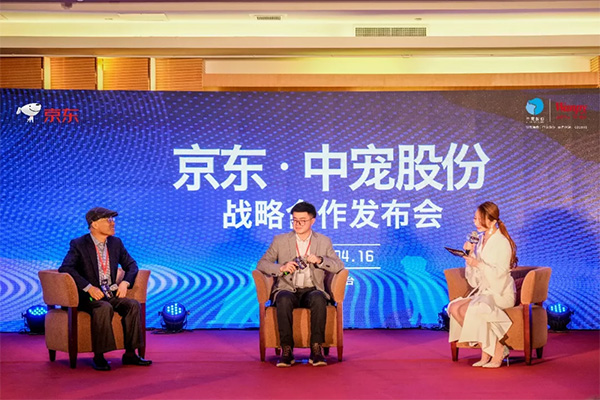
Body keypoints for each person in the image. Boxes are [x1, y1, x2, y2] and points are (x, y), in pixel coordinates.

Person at [58, 207, 152, 371]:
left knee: (133, 305)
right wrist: (88, 288)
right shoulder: (79, 244)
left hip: (110, 293)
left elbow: (132, 265)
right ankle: (99, 356)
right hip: (87, 297)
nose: (112, 223)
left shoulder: (116, 243)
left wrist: (125, 283)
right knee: (103, 307)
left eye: (112, 219)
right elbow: (66, 268)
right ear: (94, 224)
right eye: (108, 220)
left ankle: (130, 354)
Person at [257, 201, 345, 367]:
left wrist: (320, 260)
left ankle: (316, 349)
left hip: (312, 289)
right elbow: (262, 264)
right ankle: (287, 350)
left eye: (302, 221)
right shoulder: (280, 240)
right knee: (283, 299)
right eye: (294, 220)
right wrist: (281, 268)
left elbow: (338, 265)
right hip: (287, 289)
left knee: (318, 298)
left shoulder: (324, 241)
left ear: (312, 221)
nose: (297, 224)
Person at [447, 201, 518, 368]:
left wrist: (478, 264)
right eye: (475, 219)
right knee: (454, 308)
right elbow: (474, 280)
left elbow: (500, 275)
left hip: (500, 292)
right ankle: (487, 350)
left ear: (492, 221)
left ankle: (498, 350)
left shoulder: (502, 242)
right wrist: (470, 256)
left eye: (480, 219)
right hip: (485, 292)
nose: (476, 223)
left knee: (473, 309)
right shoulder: (479, 241)